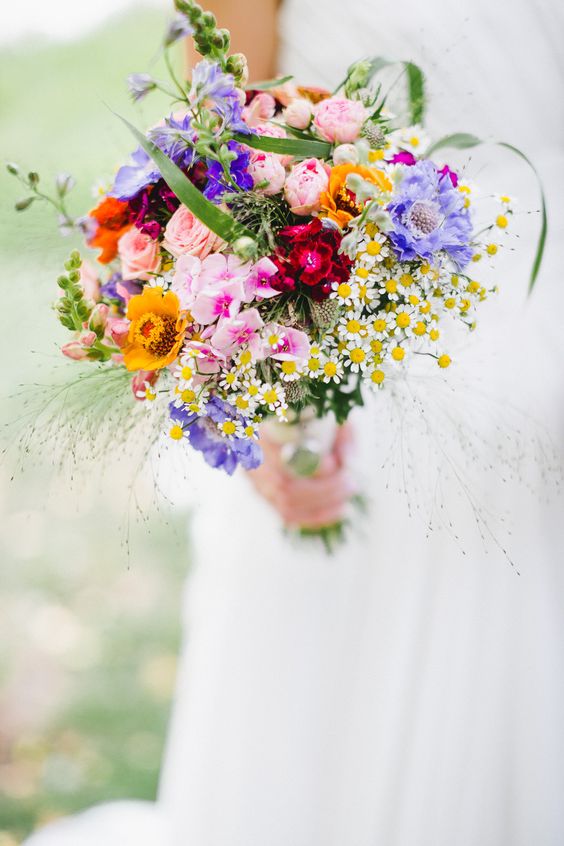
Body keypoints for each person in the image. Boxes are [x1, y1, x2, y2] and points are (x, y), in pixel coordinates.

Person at [26, 0, 564, 844]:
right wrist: (261, 403)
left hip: (538, 310)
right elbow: (224, 139)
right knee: (324, 658)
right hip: (359, 317)